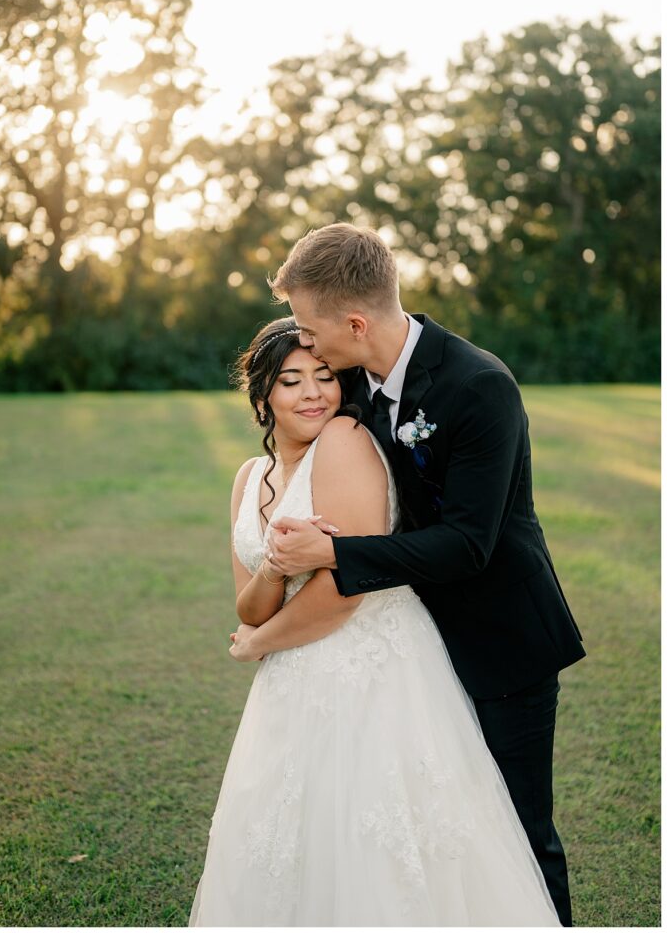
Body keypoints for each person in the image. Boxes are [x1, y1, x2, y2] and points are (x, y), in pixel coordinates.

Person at [235, 223, 586, 927]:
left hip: (500, 641)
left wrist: (331, 555)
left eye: (310, 326)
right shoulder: (353, 385)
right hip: (406, 644)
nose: (307, 343)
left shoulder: (478, 385)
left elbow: (466, 545)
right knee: (431, 834)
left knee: (514, 833)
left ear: (355, 323)